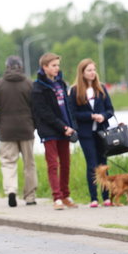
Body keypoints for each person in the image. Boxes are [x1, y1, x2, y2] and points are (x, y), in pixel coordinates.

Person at [0, 56, 37, 207]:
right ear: (21, 66)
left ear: (7, 67)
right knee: (29, 164)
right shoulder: (29, 84)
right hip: (27, 128)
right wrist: (33, 124)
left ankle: (11, 191)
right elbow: (36, 108)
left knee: (8, 162)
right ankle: (30, 197)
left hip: (6, 130)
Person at [31, 53, 78, 210]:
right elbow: (44, 113)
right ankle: (56, 198)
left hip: (65, 130)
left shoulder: (61, 84)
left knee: (66, 164)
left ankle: (66, 195)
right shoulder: (38, 87)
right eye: (53, 65)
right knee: (53, 164)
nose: (57, 68)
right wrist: (62, 127)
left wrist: (71, 126)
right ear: (45, 67)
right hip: (50, 131)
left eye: (58, 65)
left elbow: (67, 107)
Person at [70, 58, 114, 208]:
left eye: (94, 70)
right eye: (89, 70)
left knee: (103, 164)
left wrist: (103, 116)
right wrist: (90, 116)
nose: (92, 73)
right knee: (92, 164)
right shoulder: (75, 91)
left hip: (101, 132)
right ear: (82, 73)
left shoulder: (101, 88)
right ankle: (93, 198)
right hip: (86, 133)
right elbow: (73, 114)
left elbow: (110, 109)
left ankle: (106, 197)